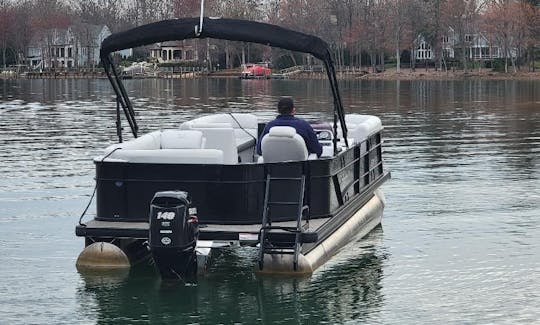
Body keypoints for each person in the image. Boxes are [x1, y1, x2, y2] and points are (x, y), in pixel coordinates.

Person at [257, 97, 323, 157]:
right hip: (300, 169)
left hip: (272, 169)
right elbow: (317, 150)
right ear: (293, 110)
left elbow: (259, 151)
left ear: (278, 110)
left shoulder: (269, 126)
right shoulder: (304, 126)